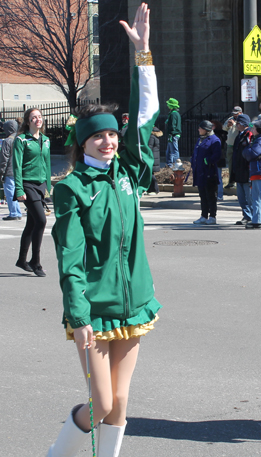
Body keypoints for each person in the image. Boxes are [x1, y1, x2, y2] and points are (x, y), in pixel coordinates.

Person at [47, 4, 161, 456]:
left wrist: (144, 55)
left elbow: (147, 116)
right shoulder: (73, 188)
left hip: (134, 304)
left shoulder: (129, 174)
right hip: (93, 310)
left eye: (113, 134)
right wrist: (77, 317)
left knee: (121, 403)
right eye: (99, 136)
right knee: (101, 402)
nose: (109, 141)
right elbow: (69, 257)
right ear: (83, 141)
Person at [12, 108, 51, 277]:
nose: (37, 120)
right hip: (27, 183)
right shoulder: (21, 140)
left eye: (39, 117)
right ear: (28, 122)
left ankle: (21, 260)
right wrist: (19, 189)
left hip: (41, 185)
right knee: (41, 221)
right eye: (34, 117)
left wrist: (48, 189)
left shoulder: (46, 140)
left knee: (32, 223)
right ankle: (35, 262)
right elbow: (17, 166)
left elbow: (47, 164)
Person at [191, 120, 222, 225]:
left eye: (200, 128)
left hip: (209, 172)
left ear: (206, 130)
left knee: (211, 195)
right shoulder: (200, 139)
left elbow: (217, 155)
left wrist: (207, 161)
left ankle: (212, 216)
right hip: (200, 172)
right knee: (202, 195)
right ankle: (204, 216)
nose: (198, 130)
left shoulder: (214, 140)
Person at [231, 114, 253, 225]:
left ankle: (256, 216)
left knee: (249, 197)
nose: (236, 125)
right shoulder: (239, 136)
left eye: (238, 123)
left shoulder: (249, 135)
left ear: (243, 124)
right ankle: (246, 216)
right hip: (239, 170)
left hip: (247, 171)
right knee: (241, 197)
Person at [0, 120, 23, 221]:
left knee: (10, 193)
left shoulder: (7, 141)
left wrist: (1, 172)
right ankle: (17, 211)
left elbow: (4, 158)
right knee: (16, 192)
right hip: (19, 171)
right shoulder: (20, 139)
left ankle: (14, 213)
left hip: (9, 171)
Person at [222, 106, 242, 189]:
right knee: (230, 164)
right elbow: (224, 128)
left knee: (237, 164)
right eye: (233, 113)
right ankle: (231, 182)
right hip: (229, 145)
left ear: (240, 113)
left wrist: (234, 124)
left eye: (236, 114)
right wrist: (227, 125)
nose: (235, 115)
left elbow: (243, 129)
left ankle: (239, 182)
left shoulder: (242, 119)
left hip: (237, 146)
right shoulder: (230, 118)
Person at [211, 119, 227, 201]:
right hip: (213, 158)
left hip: (218, 158)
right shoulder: (211, 135)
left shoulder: (219, 135)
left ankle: (220, 194)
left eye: (212, 125)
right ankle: (215, 193)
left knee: (218, 177)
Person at [165, 97, 181, 168]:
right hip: (174, 134)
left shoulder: (173, 114)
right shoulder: (175, 113)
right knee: (169, 151)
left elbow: (173, 125)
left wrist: (171, 133)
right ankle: (170, 164)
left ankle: (175, 164)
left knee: (174, 151)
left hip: (173, 134)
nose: (167, 106)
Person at [147, 126, 162, 194]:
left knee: (151, 174)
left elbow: (149, 147)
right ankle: (151, 189)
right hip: (155, 157)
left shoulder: (151, 137)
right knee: (150, 173)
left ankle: (155, 189)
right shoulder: (156, 136)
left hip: (152, 157)